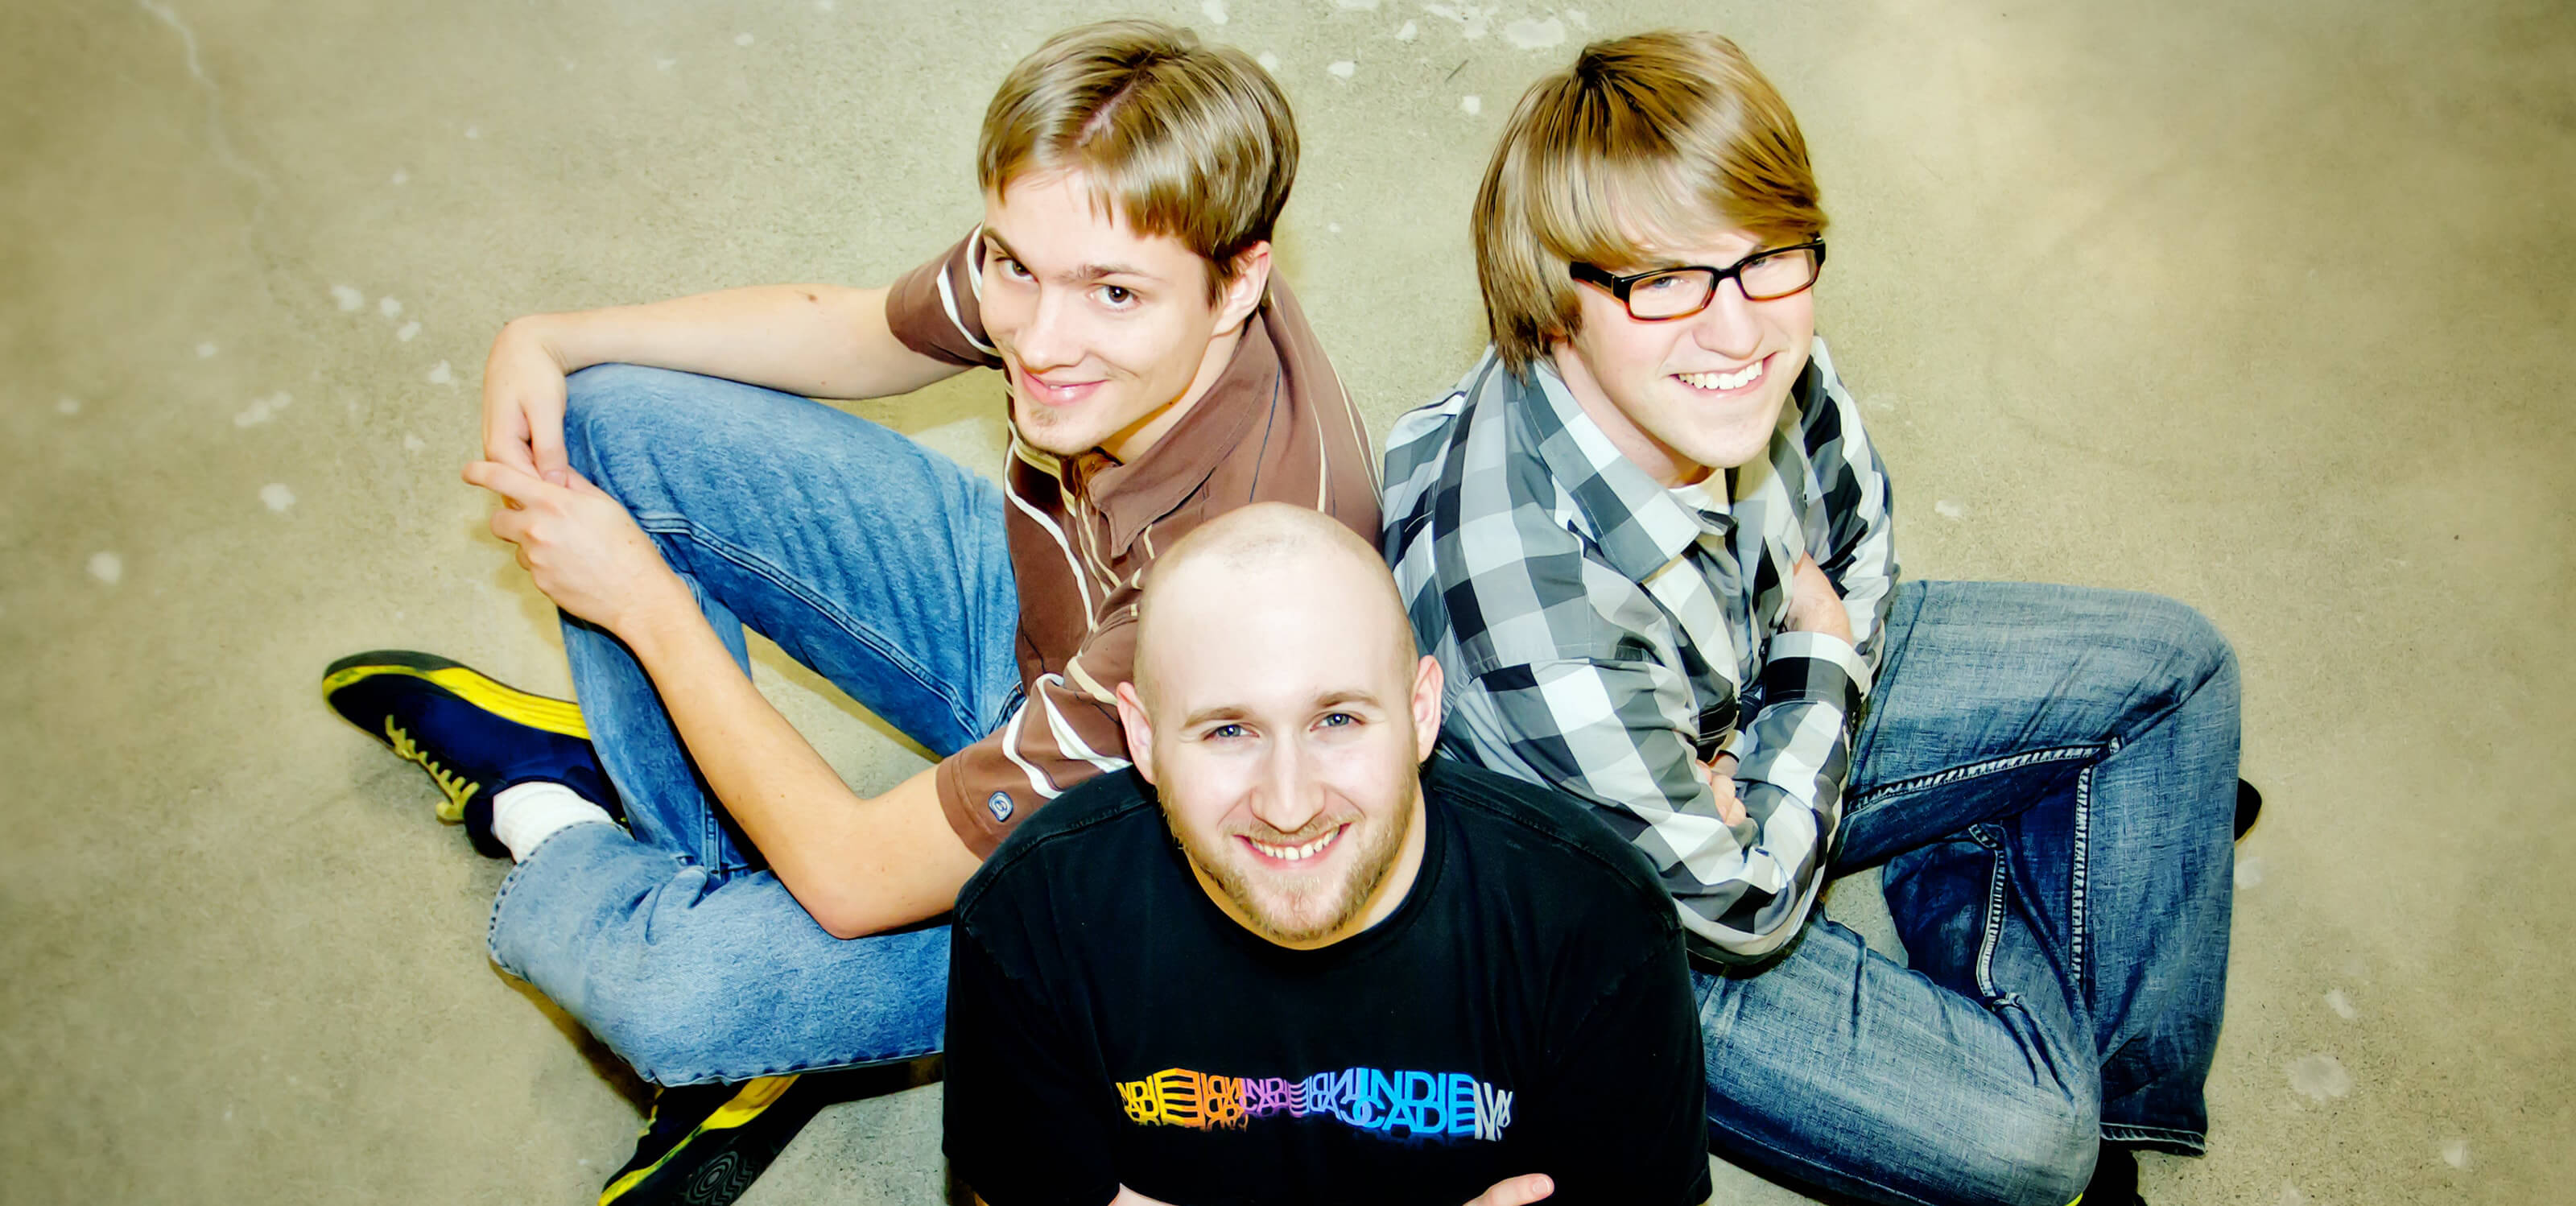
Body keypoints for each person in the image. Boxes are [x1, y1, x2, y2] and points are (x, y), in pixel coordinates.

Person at [319, 20, 1376, 1205]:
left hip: (1116, 868)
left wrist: (644, 605)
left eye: (1112, 295)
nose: (1038, 341)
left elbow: (855, 880)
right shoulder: (1101, 243)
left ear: (1241, 280)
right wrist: (551, 336)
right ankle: (697, 855)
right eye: (1015, 267)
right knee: (608, 420)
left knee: (680, 999)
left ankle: (549, 811)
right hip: (1034, 622)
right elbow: (865, 325)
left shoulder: (1238, 587)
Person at [1381, 31, 2248, 1206]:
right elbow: (1740, 908)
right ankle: (2002, 873)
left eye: (1767, 256)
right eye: (1662, 279)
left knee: (2180, 670)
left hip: (1739, 713)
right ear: (1553, 305)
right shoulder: (1528, 597)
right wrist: (1820, 661)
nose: (1738, 332)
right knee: (2035, 1147)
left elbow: (1864, 535)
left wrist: (1788, 706)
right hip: (1630, 924)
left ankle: (2118, 1078)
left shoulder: (1747, 344)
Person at [943, 503, 1711, 1206]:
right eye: (1227, 731)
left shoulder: (1601, 930)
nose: (1289, 804)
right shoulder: (1028, 922)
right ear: (1141, 737)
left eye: (1337, 719)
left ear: (1420, 711)